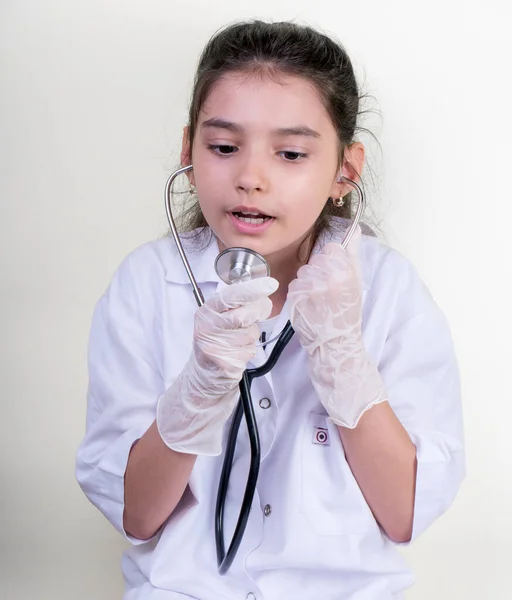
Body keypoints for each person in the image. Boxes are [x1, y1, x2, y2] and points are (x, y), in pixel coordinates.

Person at [76, 20, 465, 600]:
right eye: (224, 147)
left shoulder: (390, 290)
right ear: (189, 150)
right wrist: (198, 391)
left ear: (344, 171)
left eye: (290, 153)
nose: (250, 179)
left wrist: (342, 359)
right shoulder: (145, 284)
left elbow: (403, 514)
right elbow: (138, 516)